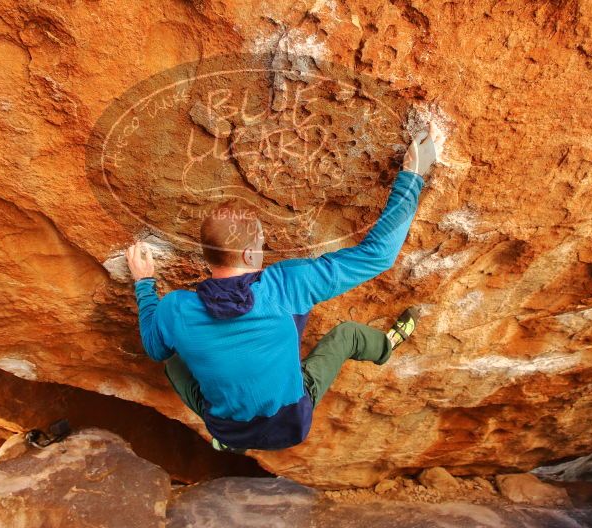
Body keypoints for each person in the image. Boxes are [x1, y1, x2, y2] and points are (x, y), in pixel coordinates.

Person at [127, 122, 444, 451]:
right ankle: (386, 346)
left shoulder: (174, 310)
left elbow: (154, 347)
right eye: (262, 241)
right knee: (347, 335)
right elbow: (377, 255)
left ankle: (228, 440)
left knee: (173, 362)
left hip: (228, 428)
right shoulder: (285, 287)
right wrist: (413, 174)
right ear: (250, 253)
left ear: (208, 256)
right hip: (291, 424)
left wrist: (144, 284)